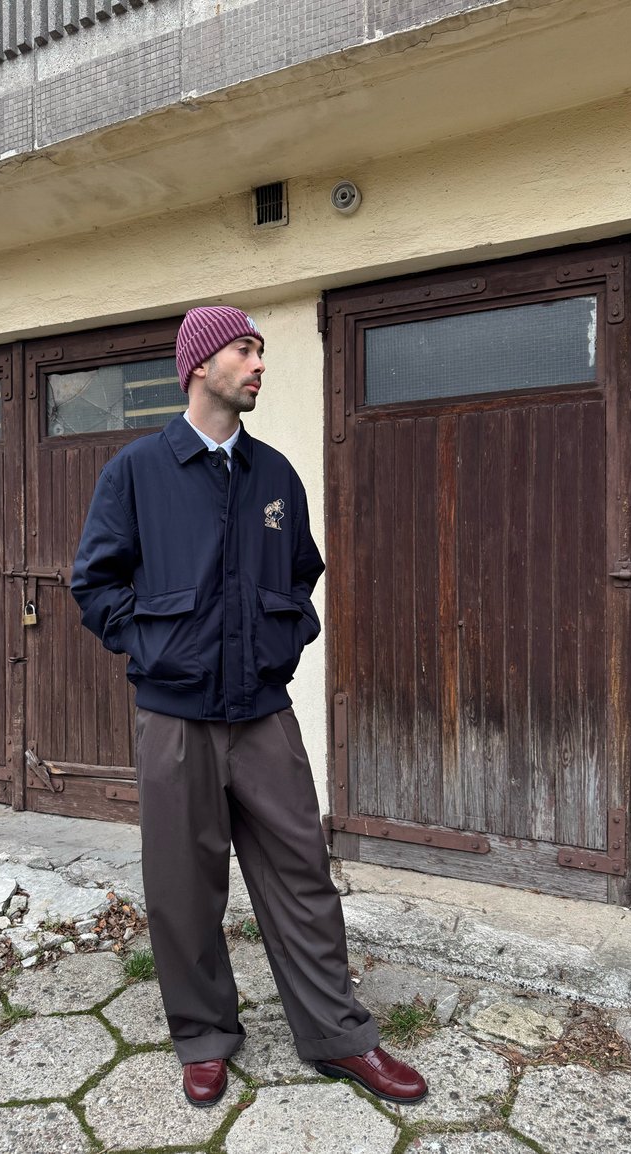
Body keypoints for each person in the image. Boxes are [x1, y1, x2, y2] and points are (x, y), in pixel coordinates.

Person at [71, 306, 428, 1108]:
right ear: (200, 366)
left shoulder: (275, 477)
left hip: (263, 715)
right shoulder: (137, 470)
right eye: (245, 349)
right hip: (175, 719)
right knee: (183, 885)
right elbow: (94, 584)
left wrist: (282, 641)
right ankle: (203, 1038)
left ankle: (339, 1036)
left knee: (303, 870)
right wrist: (155, 648)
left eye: (262, 350)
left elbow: (302, 573)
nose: (260, 363)